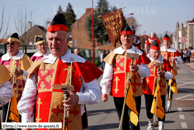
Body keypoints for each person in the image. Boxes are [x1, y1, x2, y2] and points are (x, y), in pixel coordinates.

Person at [17, 13, 103, 130]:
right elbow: (28, 97)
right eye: (50, 39)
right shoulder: (38, 65)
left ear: (67, 40)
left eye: (58, 39)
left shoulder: (80, 64)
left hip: (71, 124)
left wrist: (78, 98)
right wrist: (25, 123)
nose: (53, 43)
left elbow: (96, 95)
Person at [100, 26, 151, 130]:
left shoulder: (139, 53)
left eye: (128, 36)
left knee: (134, 122)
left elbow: (147, 73)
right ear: (120, 38)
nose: (126, 38)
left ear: (132, 38)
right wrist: (104, 91)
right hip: (118, 92)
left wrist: (138, 68)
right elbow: (107, 75)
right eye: (124, 36)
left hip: (134, 92)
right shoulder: (114, 54)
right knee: (123, 122)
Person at [0, 33, 33, 123]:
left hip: (20, 96)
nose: (9, 45)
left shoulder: (24, 58)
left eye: (12, 43)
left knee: (19, 123)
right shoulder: (2, 59)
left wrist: (22, 72)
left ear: (18, 44)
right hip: (6, 96)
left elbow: (32, 75)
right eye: (8, 43)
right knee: (6, 121)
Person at [143, 39, 173, 130]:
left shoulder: (164, 61)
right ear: (150, 52)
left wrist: (164, 74)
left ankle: (161, 125)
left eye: (158, 52)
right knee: (148, 108)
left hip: (161, 89)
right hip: (148, 89)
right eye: (155, 52)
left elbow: (170, 75)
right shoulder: (145, 60)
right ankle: (150, 123)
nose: (157, 55)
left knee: (161, 107)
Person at [160, 34, 183, 112]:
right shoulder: (160, 50)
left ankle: (169, 105)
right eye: (165, 41)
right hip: (162, 72)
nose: (166, 43)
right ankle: (162, 105)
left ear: (170, 42)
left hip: (171, 72)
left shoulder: (174, 50)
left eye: (168, 41)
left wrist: (175, 58)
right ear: (163, 42)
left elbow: (180, 61)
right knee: (162, 89)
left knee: (170, 89)